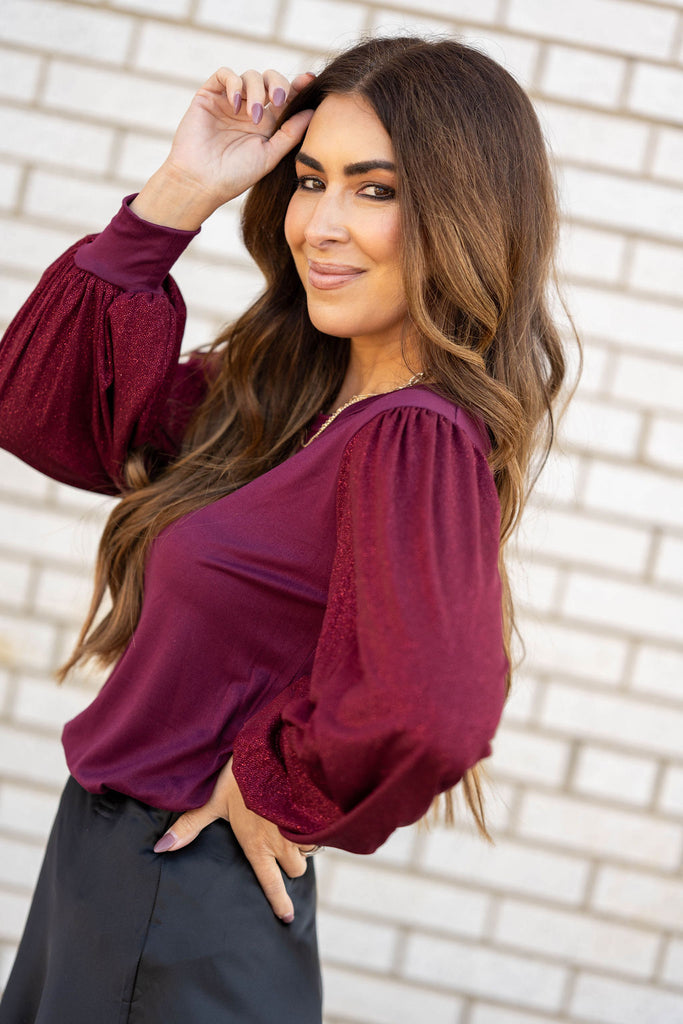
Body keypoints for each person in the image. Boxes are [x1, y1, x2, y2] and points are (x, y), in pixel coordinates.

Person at [0, 35, 573, 1024]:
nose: (320, 224)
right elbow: (42, 411)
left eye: (375, 190)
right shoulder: (284, 398)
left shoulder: (412, 435)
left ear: (464, 216)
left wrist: (274, 785)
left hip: (177, 897)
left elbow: (433, 708)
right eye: (311, 181)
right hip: (106, 876)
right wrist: (181, 189)